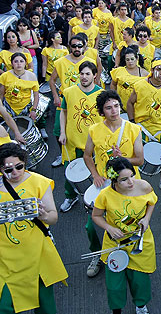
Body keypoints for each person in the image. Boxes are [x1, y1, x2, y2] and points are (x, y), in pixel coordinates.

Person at [0, 143, 68, 313]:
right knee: (2, 306)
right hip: (4, 259)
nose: (16, 172)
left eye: (20, 166)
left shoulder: (40, 182)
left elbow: (53, 217)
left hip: (37, 254)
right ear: (0, 169)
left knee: (45, 305)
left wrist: (43, 216)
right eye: (9, 170)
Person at [83, 90, 144, 276]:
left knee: (130, 220)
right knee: (92, 225)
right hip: (106, 185)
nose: (114, 110)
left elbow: (139, 160)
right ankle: (97, 254)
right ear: (102, 111)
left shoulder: (133, 129)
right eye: (108, 108)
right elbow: (87, 156)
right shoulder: (94, 130)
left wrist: (122, 158)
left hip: (129, 184)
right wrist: (95, 175)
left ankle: (131, 251)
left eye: (116, 106)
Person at [92, 157, 157, 314]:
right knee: (114, 285)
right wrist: (109, 228)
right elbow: (96, 216)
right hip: (115, 243)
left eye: (132, 176)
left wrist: (147, 219)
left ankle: (141, 306)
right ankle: (116, 310)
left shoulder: (144, 186)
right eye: (124, 179)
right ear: (114, 180)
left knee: (140, 280)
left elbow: (152, 202)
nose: (131, 182)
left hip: (139, 241)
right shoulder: (105, 195)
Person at [127, 59, 161, 196]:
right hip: (142, 127)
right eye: (158, 69)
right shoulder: (140, 85)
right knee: (136, 158)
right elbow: (130, 103)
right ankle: (134, 184)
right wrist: (132, 122)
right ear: (152, 70)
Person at [58, 61, 103, 216]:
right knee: (71, 172)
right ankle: (70, 197)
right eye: (82, 73)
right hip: (73, 141)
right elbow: (63, 112)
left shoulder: (101, 94)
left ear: (94, 75)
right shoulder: (69, 92)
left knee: (96, 173)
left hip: (94, 143)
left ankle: (96, 199)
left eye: (87, 74)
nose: (84, 77)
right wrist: (62, 132)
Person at [49, 35, 97, 166]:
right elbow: (52, 80)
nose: (77, 48)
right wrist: (55, 96)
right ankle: (63, 153)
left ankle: (89, 157)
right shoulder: (60, 62)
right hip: (65, 100)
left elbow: (96, 78)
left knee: (85, 129)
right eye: (74, 46)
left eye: (79, 46)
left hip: (84, 101)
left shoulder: (89, 61)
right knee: (58, 130)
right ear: (69, 47)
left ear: (84, 47)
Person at [0, 54, 43, 134]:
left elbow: (36, 95)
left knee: (25, 129)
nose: (19, 64)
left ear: (25, 63)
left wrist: (33, 109)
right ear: (12, 63)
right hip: (9, 106)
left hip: (25, 106)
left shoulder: (32, 76)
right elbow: (1, 94)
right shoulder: (5, 76)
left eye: (21, 61)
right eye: (16, 61)